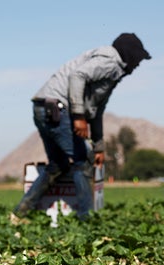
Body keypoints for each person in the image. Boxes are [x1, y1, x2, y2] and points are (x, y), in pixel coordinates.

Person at [13, 33, 151, 221]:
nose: (138, 65)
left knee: (58, 165)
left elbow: (96, 111)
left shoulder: (111, 69)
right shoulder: (111, 62)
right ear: (129, 54)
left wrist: (99, 146)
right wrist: (78, 115)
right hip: (57, 111)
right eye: (138, 59)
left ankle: (20, 212)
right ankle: (85, 220)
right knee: (83, 161)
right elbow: (77, 76)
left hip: (43, 108)